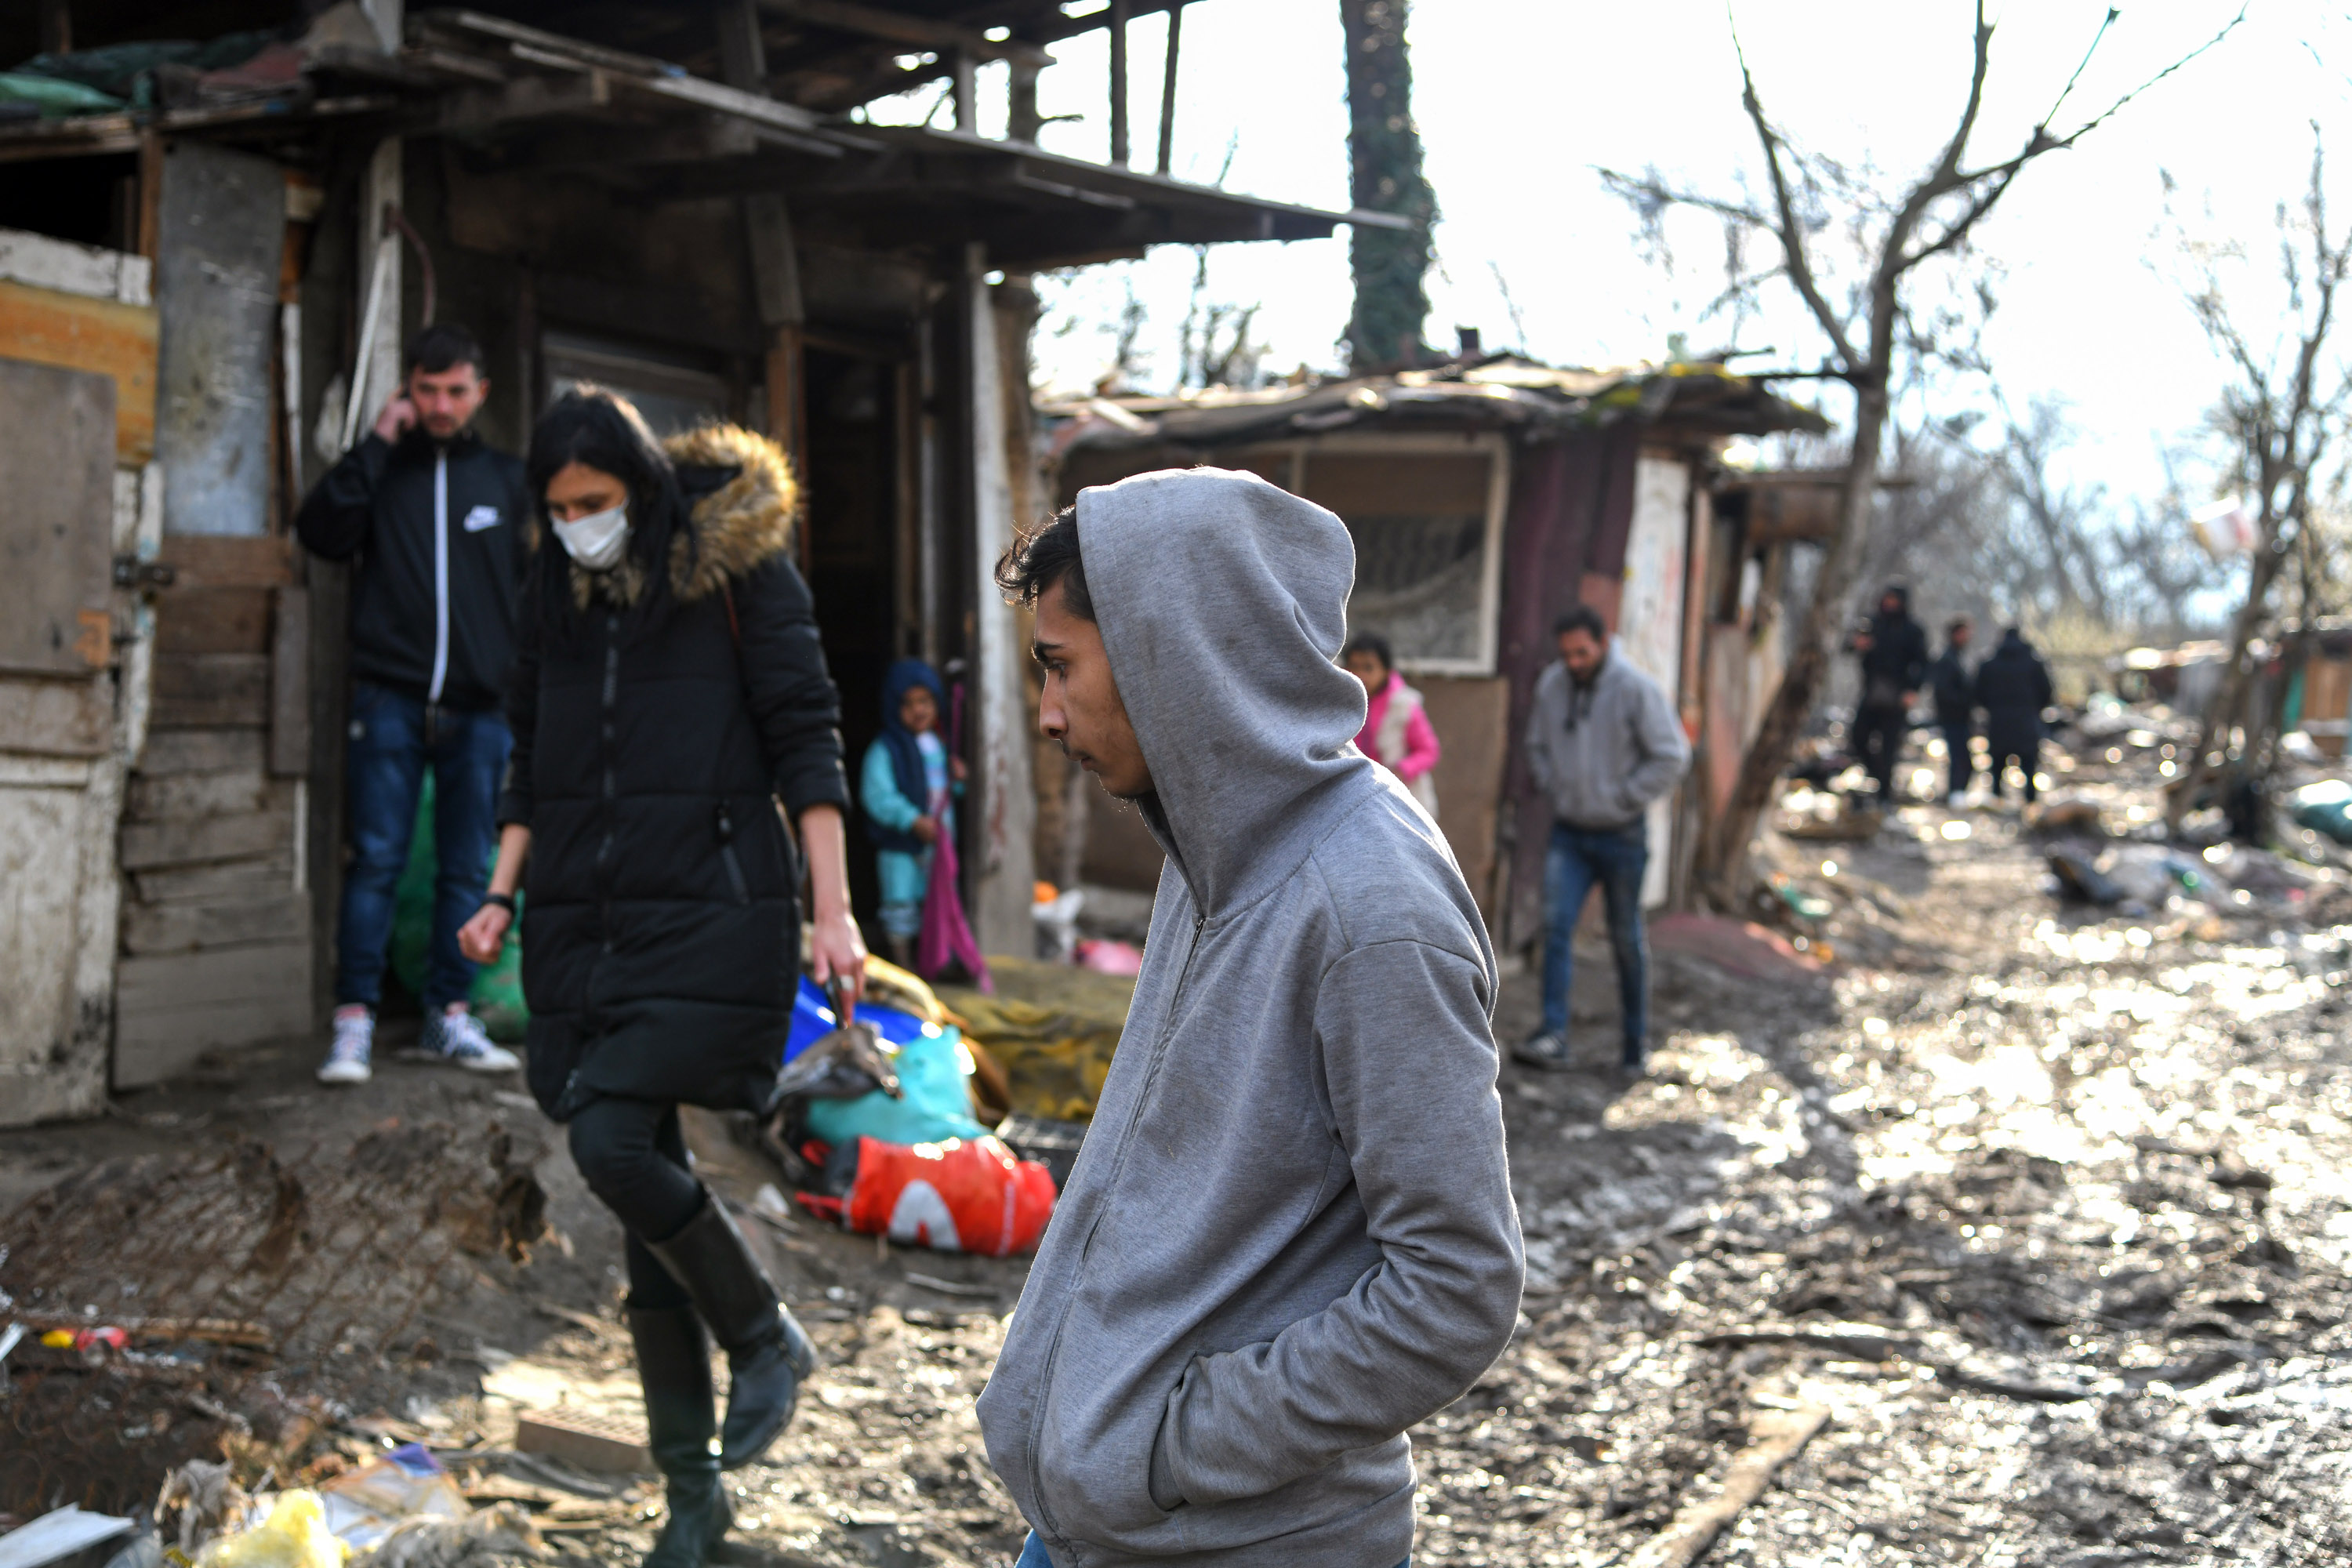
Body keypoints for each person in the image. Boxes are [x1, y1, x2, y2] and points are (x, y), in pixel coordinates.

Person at [980, 474, 1522, 1568]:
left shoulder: (1372, 908)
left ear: (1169, 655)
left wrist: (1174, 1445)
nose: (1046, 713)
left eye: (1058, 668)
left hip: (1244, 1541)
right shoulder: (1209, 847)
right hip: (1096, 1529)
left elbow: (1457, 1287)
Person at [456, 390, 862, 1567]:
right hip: (586, 923)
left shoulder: (737, 570)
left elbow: (806, 734)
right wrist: (497, 890)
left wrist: (831, 913)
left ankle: (764, 1333)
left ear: (642, 485)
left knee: (612, 1147)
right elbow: (533, 750)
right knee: (645, 1205)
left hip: (714, 911)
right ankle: (693, 1505)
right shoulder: (558, 591)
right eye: (559, 508)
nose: (579, 524)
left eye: (597, 503)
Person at [296, 323, 529, 1086]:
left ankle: (448, 1016)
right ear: (408, 390)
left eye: (454, 390)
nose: (439, 404)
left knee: (467, 868)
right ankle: (353, 1022)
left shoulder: (505, 479)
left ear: (479, 393)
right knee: (377, 864)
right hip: (389, 698)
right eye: (425, 390)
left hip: (482, 708)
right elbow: (320, 533)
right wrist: (375, 441)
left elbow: (541, 588)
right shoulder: (383, 471)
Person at [1514, 605, 1690, 1078]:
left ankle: (1634, 1045)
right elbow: (1536, 746)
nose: (1574, 661)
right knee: (1555, 929)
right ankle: (1553, 1034)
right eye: (1567, 654)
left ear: (1604, 644)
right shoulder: (1552, 684)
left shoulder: (1636, 688)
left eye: (1583, 653)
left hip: (1622, 835)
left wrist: (1622, 798)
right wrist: (1556, 786)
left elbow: (1672, 756)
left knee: (1625, 939)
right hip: (1569, 833)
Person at [858, 659, 965, 968]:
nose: (918, 710)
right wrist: (912, 820)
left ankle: (932, 965)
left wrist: (957, 780)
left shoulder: (939, 747)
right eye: (908, 703)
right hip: (901, 848)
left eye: (925, 701)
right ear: (894, 706)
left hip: (937, 848)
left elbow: (945, 794)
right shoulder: (885, 749)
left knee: (935, 903)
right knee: (901, 906)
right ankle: (903, 964)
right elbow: (876, 795)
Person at [1342, 630, 1443, 817]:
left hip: (1399, 798)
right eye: (1354, 667)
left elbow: (1429, 751)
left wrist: (1401, 770)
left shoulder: (1403, 705)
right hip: (1355, 795)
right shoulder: (1341, 703)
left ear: (1386, 671)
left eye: (1369, 668)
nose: (1360, 675)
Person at [1851, 583, 1928, 803]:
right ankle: (1878, 777)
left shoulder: (1912, 630)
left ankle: (1884, 795)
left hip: (1897, 696)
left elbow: (1923, 663)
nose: (1890, 604)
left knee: (1890, 746)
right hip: (1872, 693)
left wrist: (1913, 690)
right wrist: (1860, 645)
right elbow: (1848, 645)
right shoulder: (1873, 624)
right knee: (1858, 738)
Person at [1973, 626, 2054, 804]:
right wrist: (2033, 709)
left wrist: (1994, 708)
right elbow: (2047, 692)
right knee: (2029, 766)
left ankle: (1997, 800)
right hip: (2026, 722)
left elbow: (1978, 693)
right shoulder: (2034, 663)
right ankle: (2030, 802)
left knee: (1997, 767)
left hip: (1999, 723)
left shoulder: (1990, 663)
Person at [1928, 615, 1977, 807]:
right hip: (1953, 718)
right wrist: (1965, 701)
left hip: (1960, 718)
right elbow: (1943, 692)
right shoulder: (1947, 659)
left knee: (1962, 758)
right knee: (1960, 759)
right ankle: (1955, 795)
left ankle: (1957, 794)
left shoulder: (1957, 657)